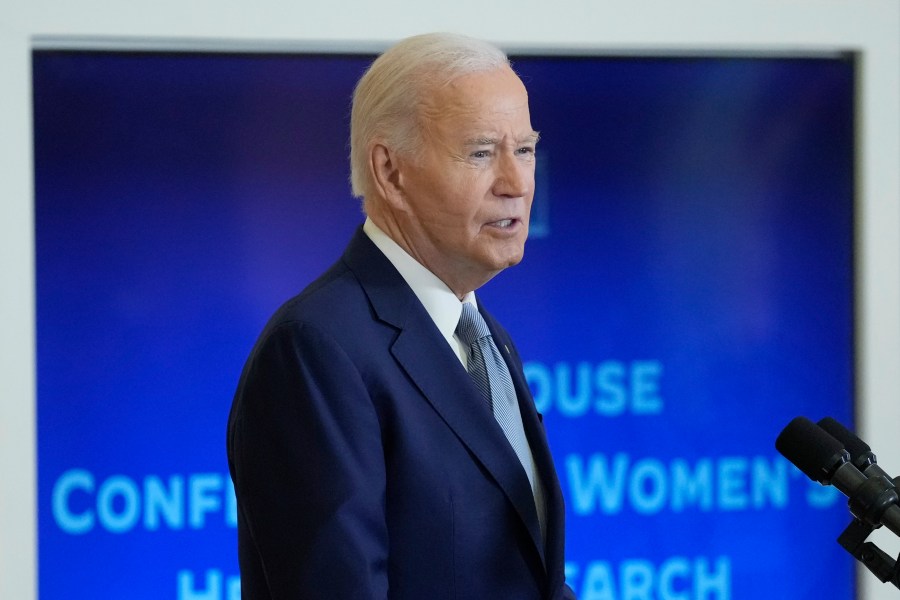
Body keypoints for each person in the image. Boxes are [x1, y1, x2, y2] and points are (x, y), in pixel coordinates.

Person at [227, 32, 576, 599]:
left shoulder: (486, 340)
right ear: (391, 172)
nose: (516, 184)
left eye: (527, 150)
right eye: (482, 152)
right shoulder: (318, 350)